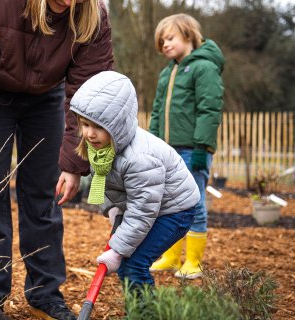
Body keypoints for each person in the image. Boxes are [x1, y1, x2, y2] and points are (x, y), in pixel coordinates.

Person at [0, 0, 113, 319]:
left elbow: (90, 94)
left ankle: (45, 294)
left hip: (47, 97)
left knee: (44, 193)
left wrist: (73, 163)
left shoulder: (94, 17)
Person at [59, 70, 200, 297]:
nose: (90, 134)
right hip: (150, 206)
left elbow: (144, 210)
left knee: (133, 264)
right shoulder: (101, 149)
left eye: (98, 127)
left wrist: (117, 249)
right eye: (85, 125)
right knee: (128, 264)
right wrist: (114, 211)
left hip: (175, 210)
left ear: (118, 125)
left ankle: (146, 314)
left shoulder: (138, 158)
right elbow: (109, 185)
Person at [148, 13, 225, 280]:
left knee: (195, 203)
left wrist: (202, 149)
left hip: (192, 150)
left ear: (188, 34)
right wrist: (153, 145)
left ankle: (193, 260)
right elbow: (157, 112)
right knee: (169, 204)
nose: (165, 45)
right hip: (168, 151)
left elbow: (209, 110)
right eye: (162, 41)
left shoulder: (204, 68)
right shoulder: (168, 72)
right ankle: (170, 255)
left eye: (170, 38)